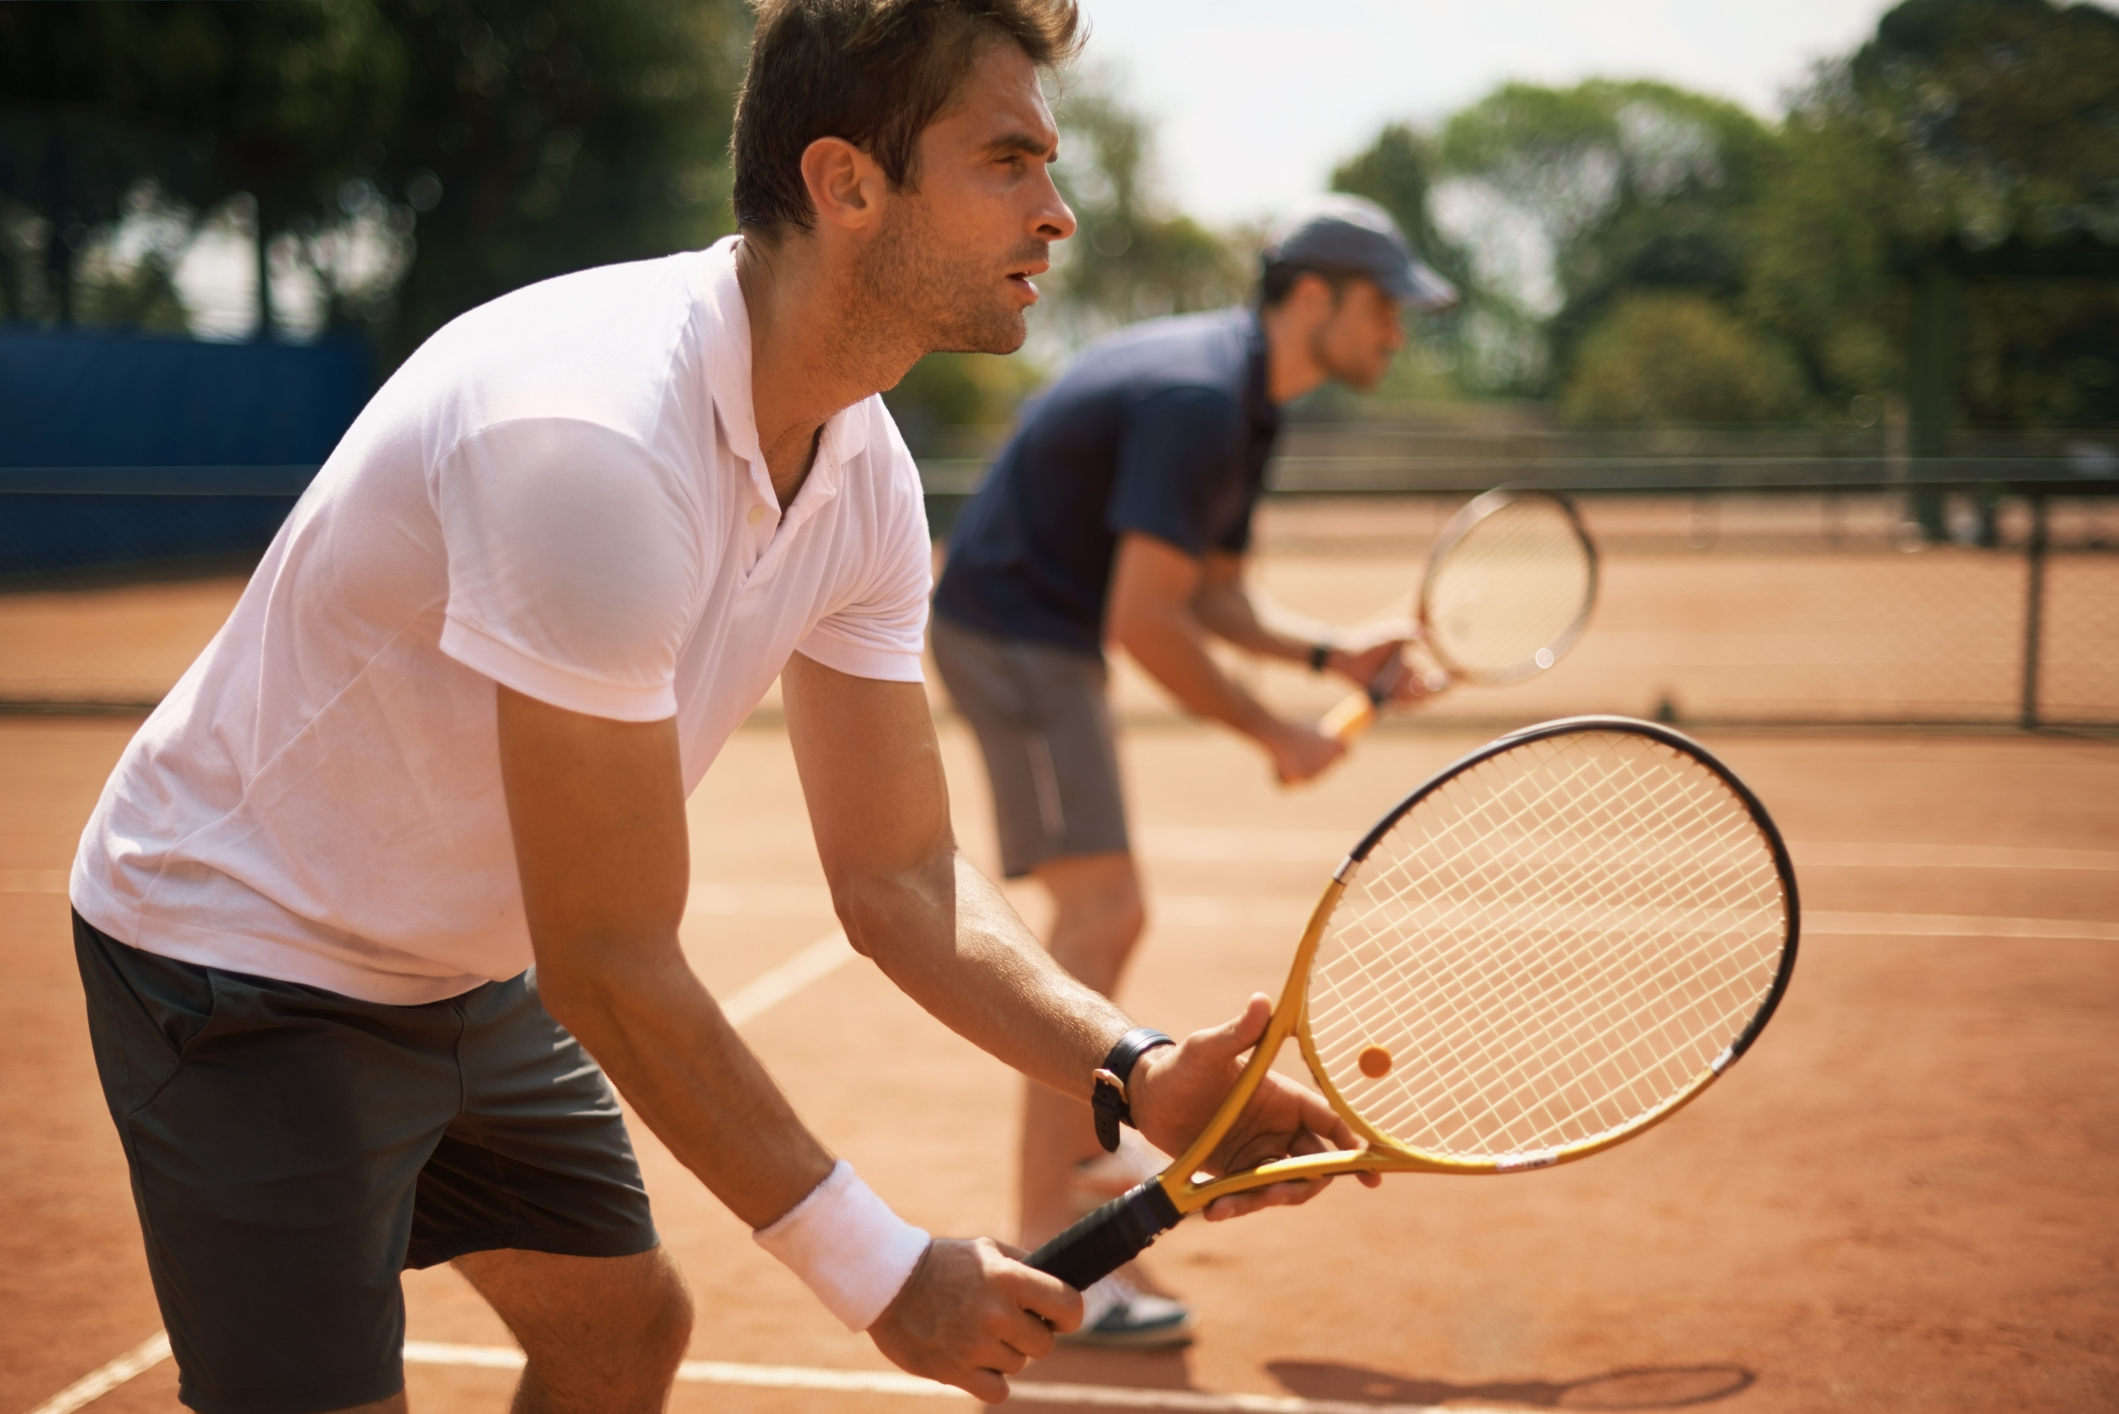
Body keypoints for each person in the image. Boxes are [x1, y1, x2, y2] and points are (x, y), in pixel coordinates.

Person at [65, 5, 1373, 1411]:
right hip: (238, 957)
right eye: (1007, 160)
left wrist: (1137, 1067)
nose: (1056, 214)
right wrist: (882, 1270)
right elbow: (612, 960)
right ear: (846, 183)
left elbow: (900, 877)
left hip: (452, 967)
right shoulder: (591, 444)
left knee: (623, 1336)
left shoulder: (859, 462)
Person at [930, 193, 1459, 1346]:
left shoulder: (1245, 398)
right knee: (1099, 911)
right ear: (1311, 295)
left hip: (1041, 631)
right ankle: (1047, 1245)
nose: (1397, 331)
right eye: (1384, 306)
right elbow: (1147, 620)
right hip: (1012, 629)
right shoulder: (1202, 400)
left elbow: (1208, 591)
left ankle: (1065, 1192)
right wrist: (1276, 731)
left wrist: (1331, 653)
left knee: (1102, 914)